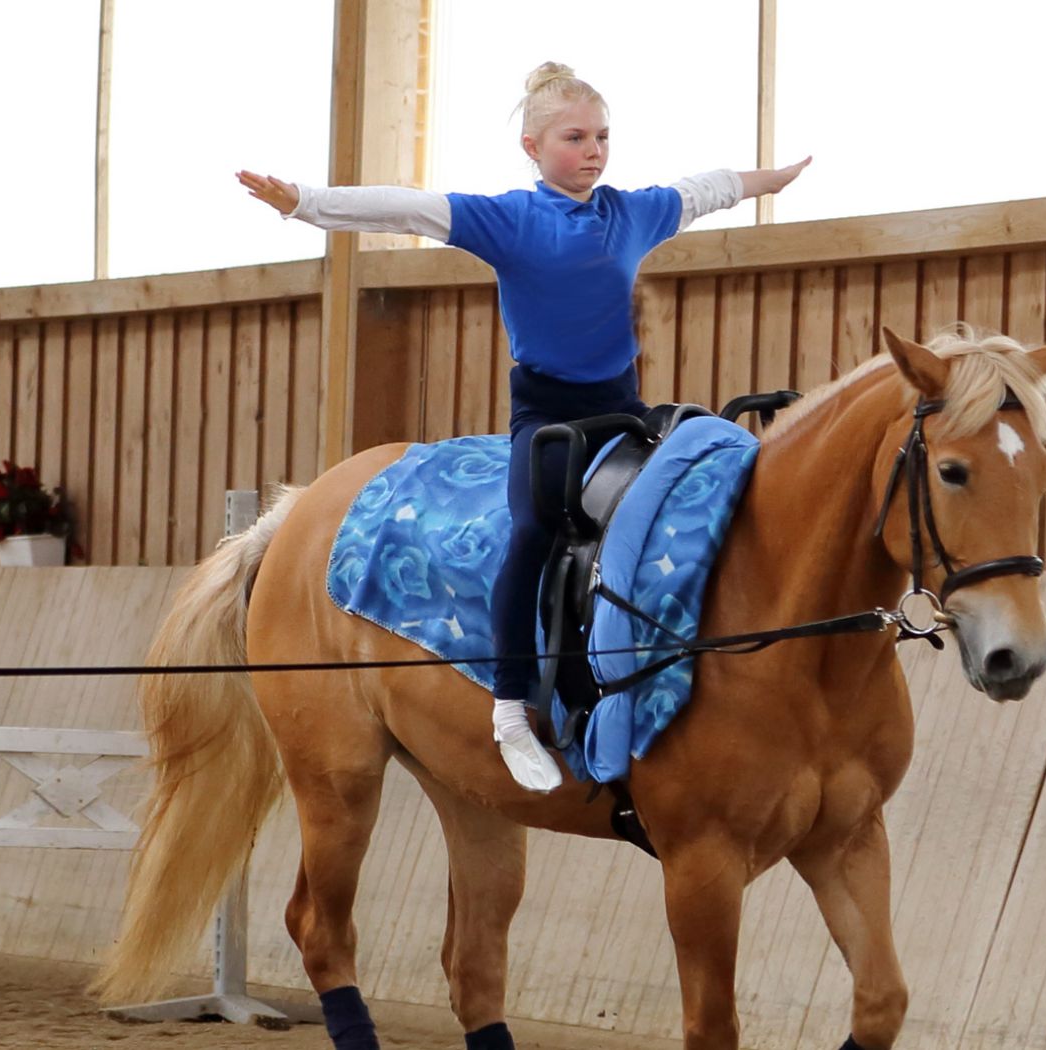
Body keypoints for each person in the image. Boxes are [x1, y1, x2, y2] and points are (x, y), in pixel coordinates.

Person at [237, 62, 808, 793]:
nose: (594, 150)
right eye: (575, 138)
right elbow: (405, 209)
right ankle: (511, 708)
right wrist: (304, 202)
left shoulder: (630, 212)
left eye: (602, 136)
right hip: (549, 421)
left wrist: (775, 179)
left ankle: (660, 680)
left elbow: (710, 189)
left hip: (625, 411)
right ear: (534, 148)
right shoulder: (510, 219)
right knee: (534, 532)